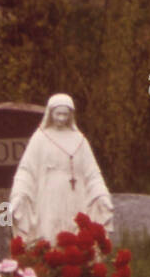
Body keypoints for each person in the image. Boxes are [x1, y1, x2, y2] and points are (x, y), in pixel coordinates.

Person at [9, 94, 114, 244]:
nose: (61, 118)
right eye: (58, 114)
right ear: (50, 113)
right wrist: (19, 194)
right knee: (49, 236)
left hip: (76, 198)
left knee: (76, 234)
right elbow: (26, 170)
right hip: (48, 198)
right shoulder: (40, 138)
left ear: (71, 115)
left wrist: (101, 193)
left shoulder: (80, 140)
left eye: (65, 114)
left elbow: (92, 173)